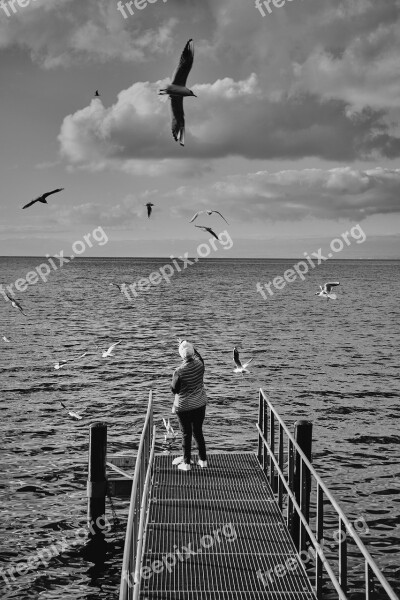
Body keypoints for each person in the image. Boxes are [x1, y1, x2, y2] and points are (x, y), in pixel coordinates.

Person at [170, 340, 208, 471]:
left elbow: (174, 389)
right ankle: (203, 460)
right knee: (198, 431)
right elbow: (199, 357)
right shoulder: (200, 365)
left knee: (186, 433)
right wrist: (189, 346)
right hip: (199, 404)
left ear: (181, 355)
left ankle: (186, 463)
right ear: (193, 353)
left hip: (184, 407)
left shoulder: (178, 371)